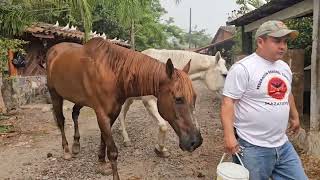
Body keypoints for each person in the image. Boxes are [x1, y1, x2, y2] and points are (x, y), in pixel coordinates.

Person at [220, 20, 308, 180]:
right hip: (252, 147)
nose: (283, 46)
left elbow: (287, 93)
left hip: (283, 145)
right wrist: (229, 136)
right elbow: (228, 102)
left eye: (285, 42)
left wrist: (294, 116)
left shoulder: (284, 67)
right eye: (277, 41)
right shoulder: (243, 68)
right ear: (260, 41)